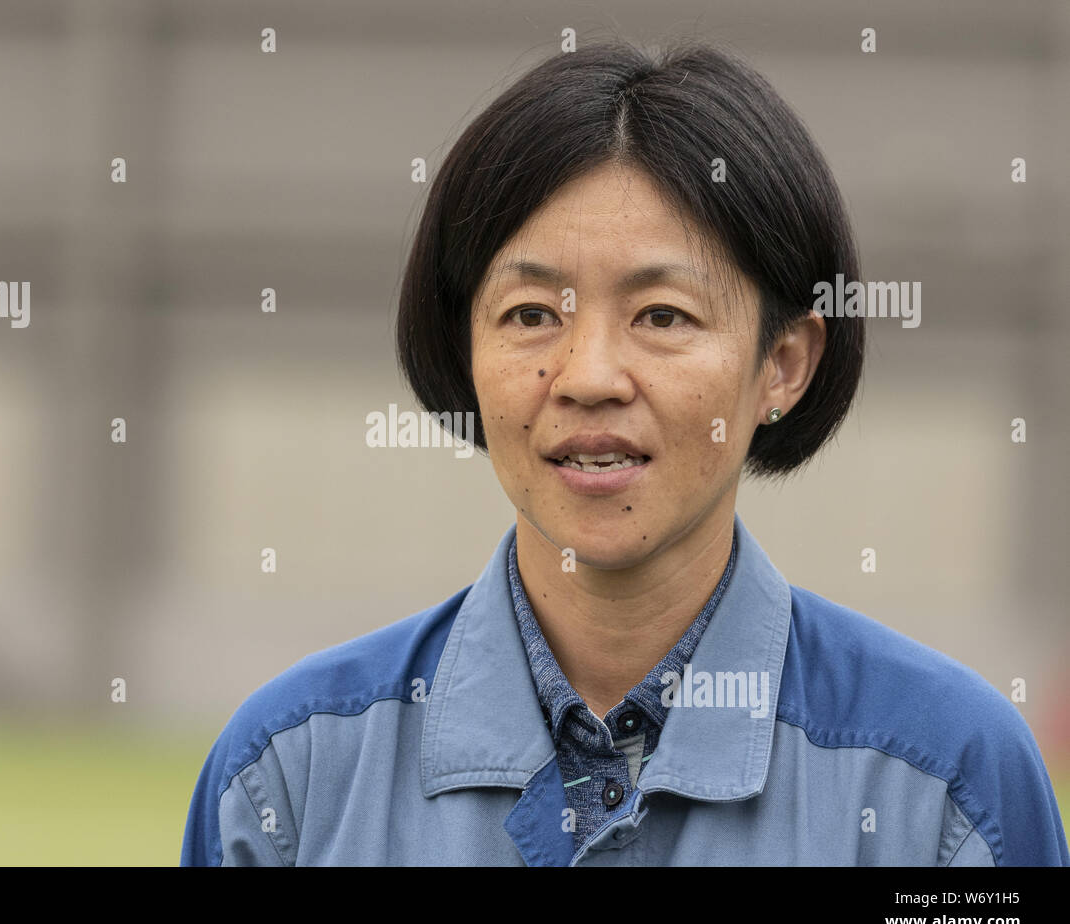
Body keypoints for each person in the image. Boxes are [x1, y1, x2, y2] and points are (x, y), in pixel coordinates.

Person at [180, 38, 1068, 866]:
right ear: (465, 351)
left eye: (663, 317)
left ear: (784, 364)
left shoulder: (943, 784)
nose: (589, 376)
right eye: (532, 315)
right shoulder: (288, 779)